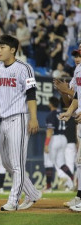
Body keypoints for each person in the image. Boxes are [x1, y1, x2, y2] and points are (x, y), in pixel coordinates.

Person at [0, 34, 42, 211]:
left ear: (13, 49)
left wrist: (34, 118)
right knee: (6, 163)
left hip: (19, 118)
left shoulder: (24, 68)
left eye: (2, 47)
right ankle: (33, 193)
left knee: (16, 163)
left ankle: (13, 201)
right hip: (3, 120)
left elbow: (31, 94)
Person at [58, 47, 81, 211]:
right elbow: (75, 98)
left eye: (79, 55)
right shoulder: (78, 71)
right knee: (79, 161)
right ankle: (79, 196)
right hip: (79, 119)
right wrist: (63, 92)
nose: (76, 58)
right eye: (75, 55)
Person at [44, 96, 73, 192]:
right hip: (63, 138)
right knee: (61, 163)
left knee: (48, 162)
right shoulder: (62, 113)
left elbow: (49, 130)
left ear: (50, 104)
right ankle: (72, 179)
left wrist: (46, 144)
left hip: (55, 138)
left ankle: (48, 187)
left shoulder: (51, 115)